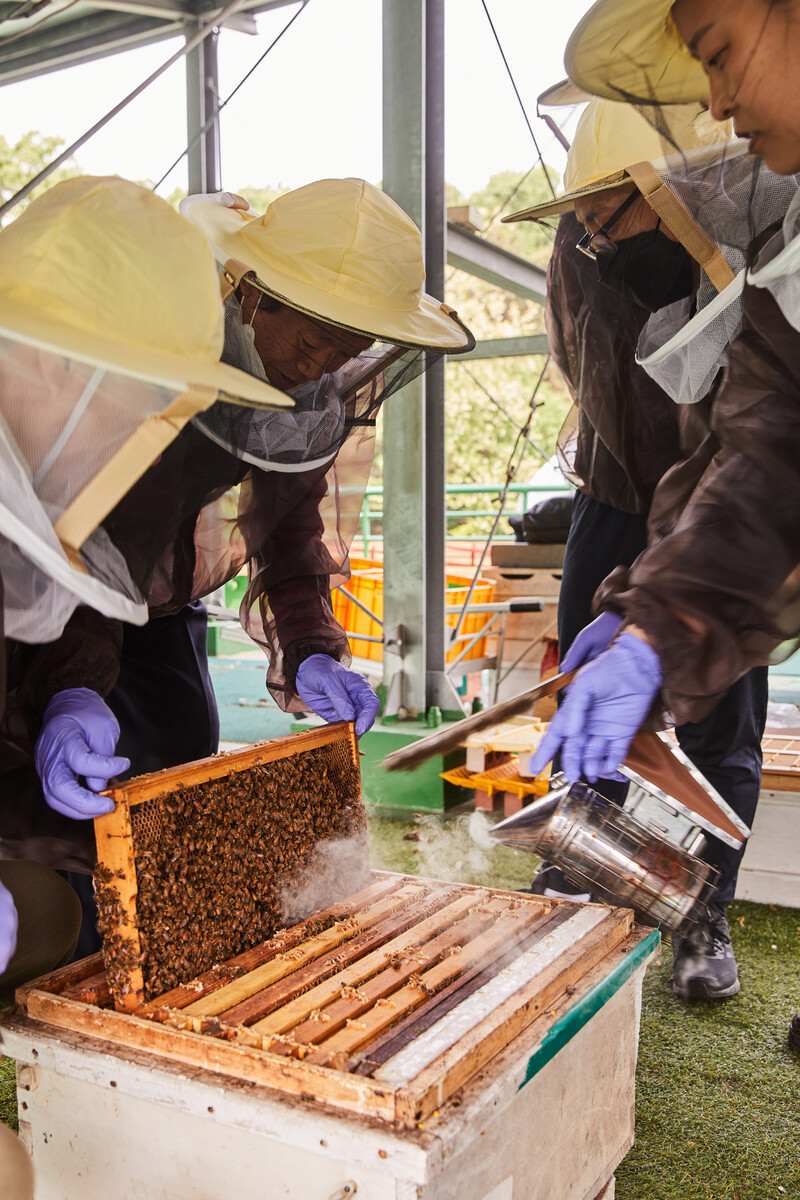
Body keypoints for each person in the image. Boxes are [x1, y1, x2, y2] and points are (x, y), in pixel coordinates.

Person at [8, 178, 475, 956]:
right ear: (253, 291)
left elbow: (289, 530)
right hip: (57, 599)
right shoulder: (149, 349)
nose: (328, 360)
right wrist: (74, 683)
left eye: (352, 343)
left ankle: (133, 959)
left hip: (144, 615)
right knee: (47, 832)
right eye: (318, 333)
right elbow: (89, 546)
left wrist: (312, 644)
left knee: (170, 777)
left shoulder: (306, 397)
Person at [526, 0, 800, 1045]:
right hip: (639, 504)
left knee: (719, 729)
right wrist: (642, 611)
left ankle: (700, 916)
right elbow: (755, 441)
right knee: (593, 711)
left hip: (715, 522)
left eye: (720, 55)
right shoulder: (581, 260)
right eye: (586, 214)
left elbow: (761, 444)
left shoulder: (747, 238)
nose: (721, 102)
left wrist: (665, 607)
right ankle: (577, 881)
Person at [0, 174, 289, 986]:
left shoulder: (44, 457)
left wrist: (69, 690)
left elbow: (81, 582)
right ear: (52, 364)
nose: (129, 422)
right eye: (125, 390)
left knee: (57, 919)